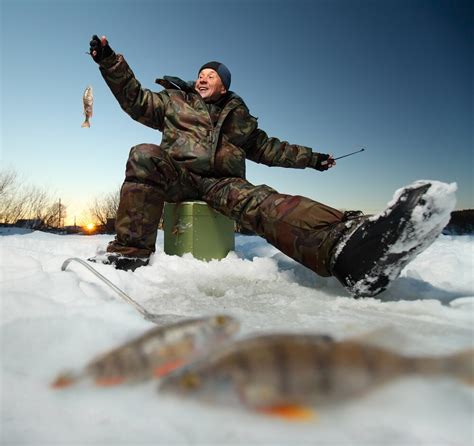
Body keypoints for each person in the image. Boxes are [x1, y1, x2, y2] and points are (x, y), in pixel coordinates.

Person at [88, 35, 447, 298]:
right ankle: (130, 253)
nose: (201, 78)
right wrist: (110, 62)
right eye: (200, 74)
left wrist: (314, 159)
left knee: (264, 202)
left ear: (224, 84)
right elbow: (134, 99)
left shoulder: (239, 119)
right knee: (144, 153)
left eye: (210, 75)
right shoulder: (173, 102)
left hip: (223, 183)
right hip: (178, 174)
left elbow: (271, 148)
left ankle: (346, 248)